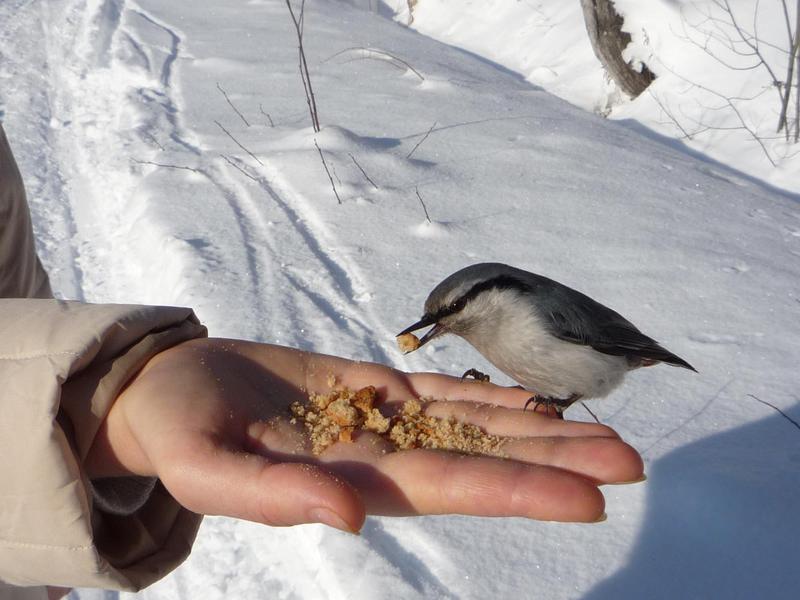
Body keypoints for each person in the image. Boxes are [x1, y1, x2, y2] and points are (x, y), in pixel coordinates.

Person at [0, 122, 644, 594]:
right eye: (437, 317)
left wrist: (94, 400)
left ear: (492, 292)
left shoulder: (534, 311)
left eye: (450, 312)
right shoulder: (495, 318)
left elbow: (25, 305)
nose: (438, 328)